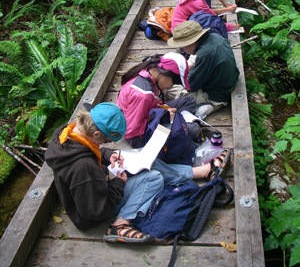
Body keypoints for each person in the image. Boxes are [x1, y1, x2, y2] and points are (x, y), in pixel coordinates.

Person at [45, 102, 231, 243]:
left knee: (150, 163)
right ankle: (120, 224)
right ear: (95, 135)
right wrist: (119, 184)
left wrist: (107, 154)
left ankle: (204, 171)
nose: (103, 145)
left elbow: (87, 150)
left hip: (96, 188)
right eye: (105, 142)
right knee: (153, 178)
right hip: (94, 212)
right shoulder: (83, 168)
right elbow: (96, 210)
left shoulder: (67, 133)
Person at [116, 52, 202, 146]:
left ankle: (178, 126)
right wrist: (163, 117)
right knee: (193, 130)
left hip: (150, 114)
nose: (171, 87)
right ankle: (179, 126)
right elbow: (131, 131)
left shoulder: (148, 73)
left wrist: (163, 108)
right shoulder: (143, 95)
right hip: (138, 136)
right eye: (174, 82)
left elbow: (151, 104)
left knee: (188, 101)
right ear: (165, 73)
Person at [167, 20, 240, 120]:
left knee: (166, 86)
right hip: (227, 82)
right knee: (192, 60)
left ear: (192, 43)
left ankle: (209, 105)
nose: (183, 50)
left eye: (183, 46)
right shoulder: (216, 37)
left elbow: (190, 85)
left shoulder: (205, 54)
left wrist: (176, 75)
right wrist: (192, 67)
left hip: (215, 96)